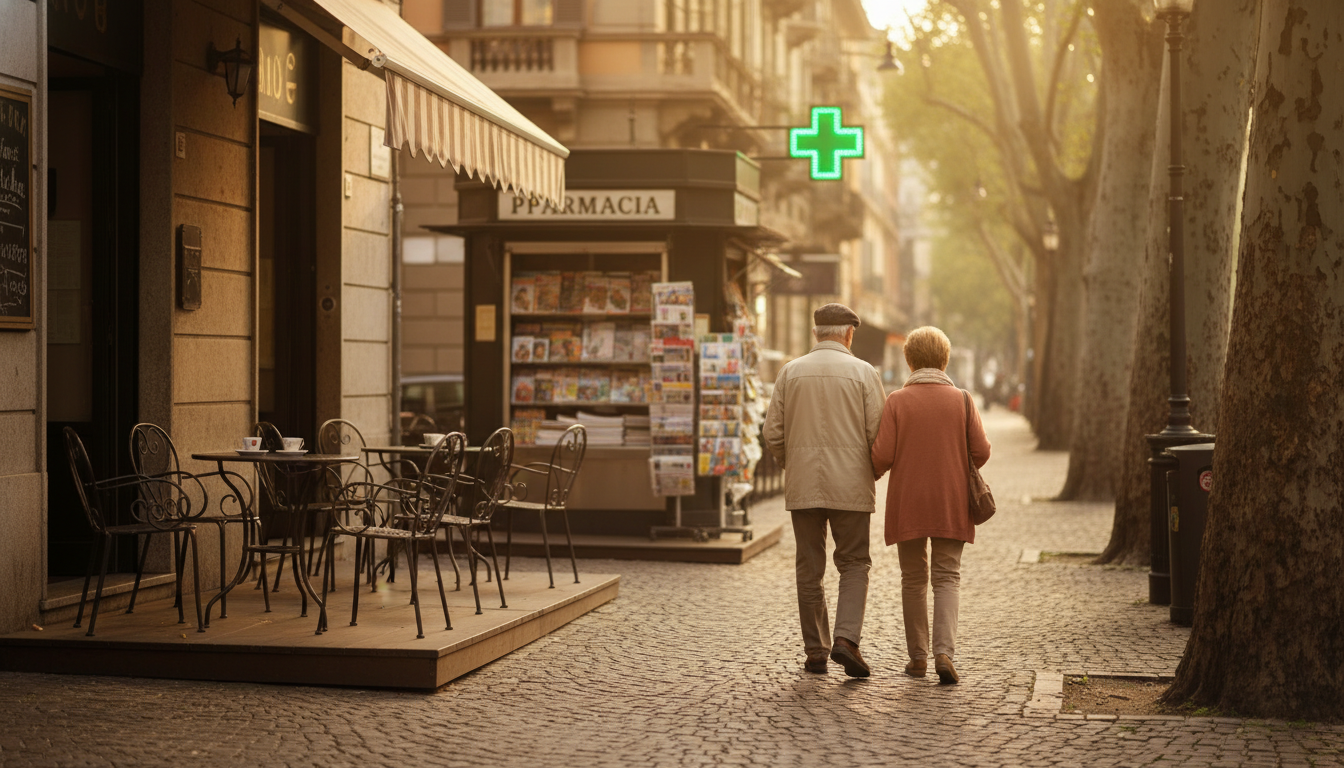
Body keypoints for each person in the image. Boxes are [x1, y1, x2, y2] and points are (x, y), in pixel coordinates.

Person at [763, 303, 886, 677]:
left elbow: (772, 432)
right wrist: (872, 471)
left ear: (816, 333)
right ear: (849, 333)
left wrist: (791, 464)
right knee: (853, 563)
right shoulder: (864, 373)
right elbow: (879, 435)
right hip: (851, 483)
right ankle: (846, 639)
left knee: (809, 567)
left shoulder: (790, 372)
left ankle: (815, 649)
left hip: (803, 484)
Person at [870, 326, 990, 685]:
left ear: (909, 359)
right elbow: (981, 452)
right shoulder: (963, 400)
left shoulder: (896, 401)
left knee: (913, 578)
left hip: (908, 500)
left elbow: (881, 456)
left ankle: (918, 658)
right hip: (951, 498)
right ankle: (944, 653)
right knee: (947, 576)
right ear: (945, 359)